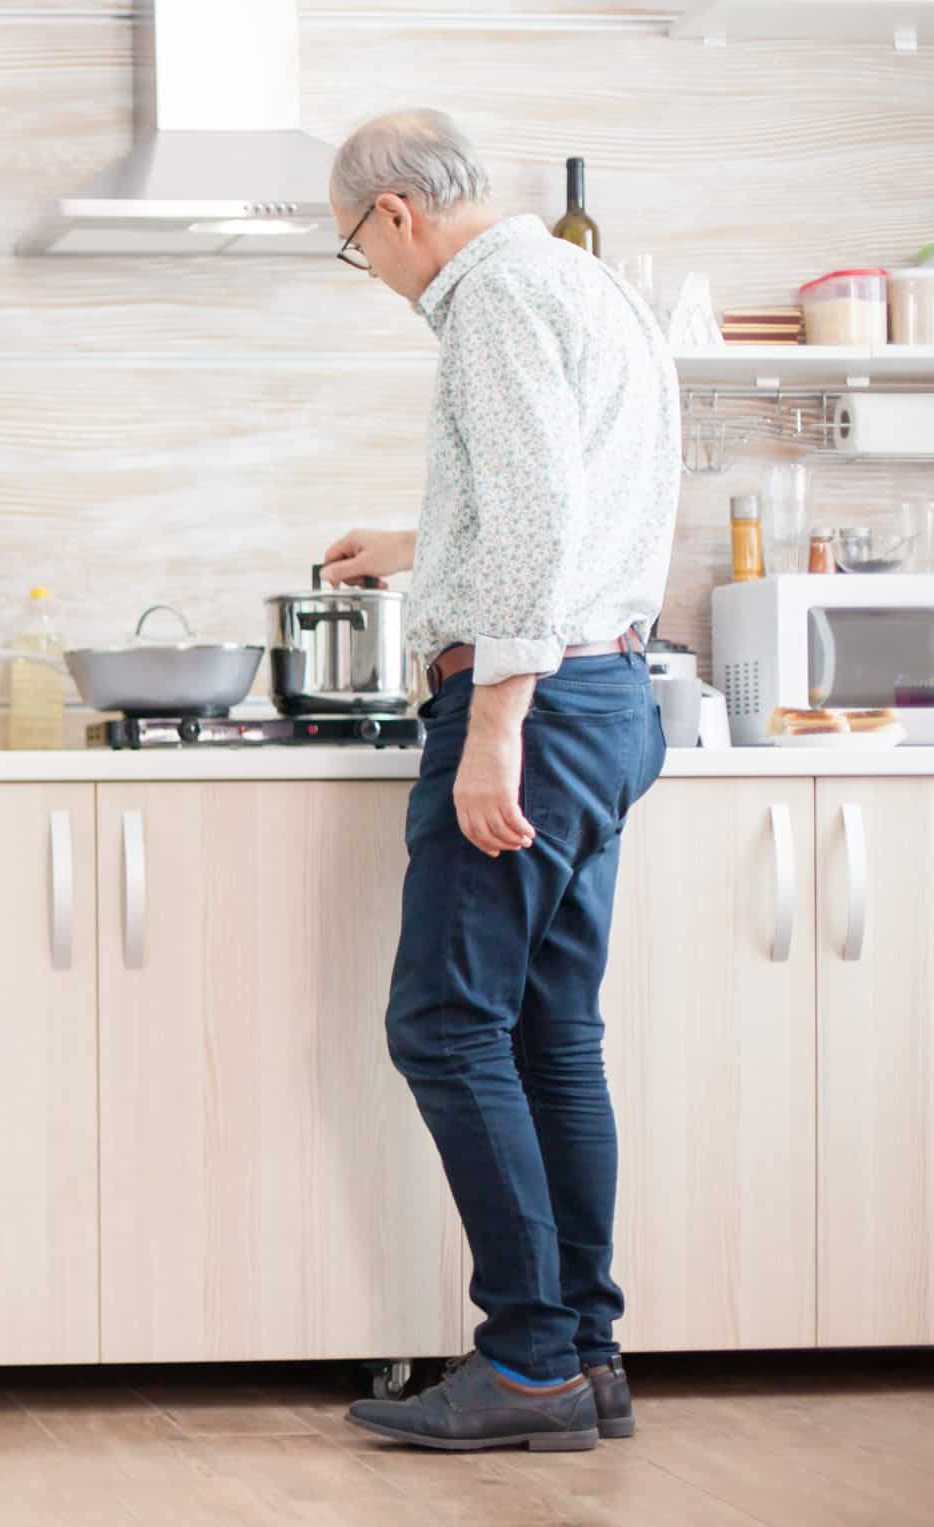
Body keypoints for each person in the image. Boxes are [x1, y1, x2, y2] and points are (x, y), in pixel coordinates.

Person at [321, 112, 678, 1451]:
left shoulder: (493, 298)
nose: (379, 274)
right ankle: (585, 1350)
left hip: (537, 702)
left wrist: (493, 727)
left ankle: (528, 1355)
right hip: (609, 693)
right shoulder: (585, 284)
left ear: (400, 210)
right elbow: (576, 498)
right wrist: (424, 538)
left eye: (362, 250)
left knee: (446, 1027)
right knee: (547, 1033)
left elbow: (537, 516)